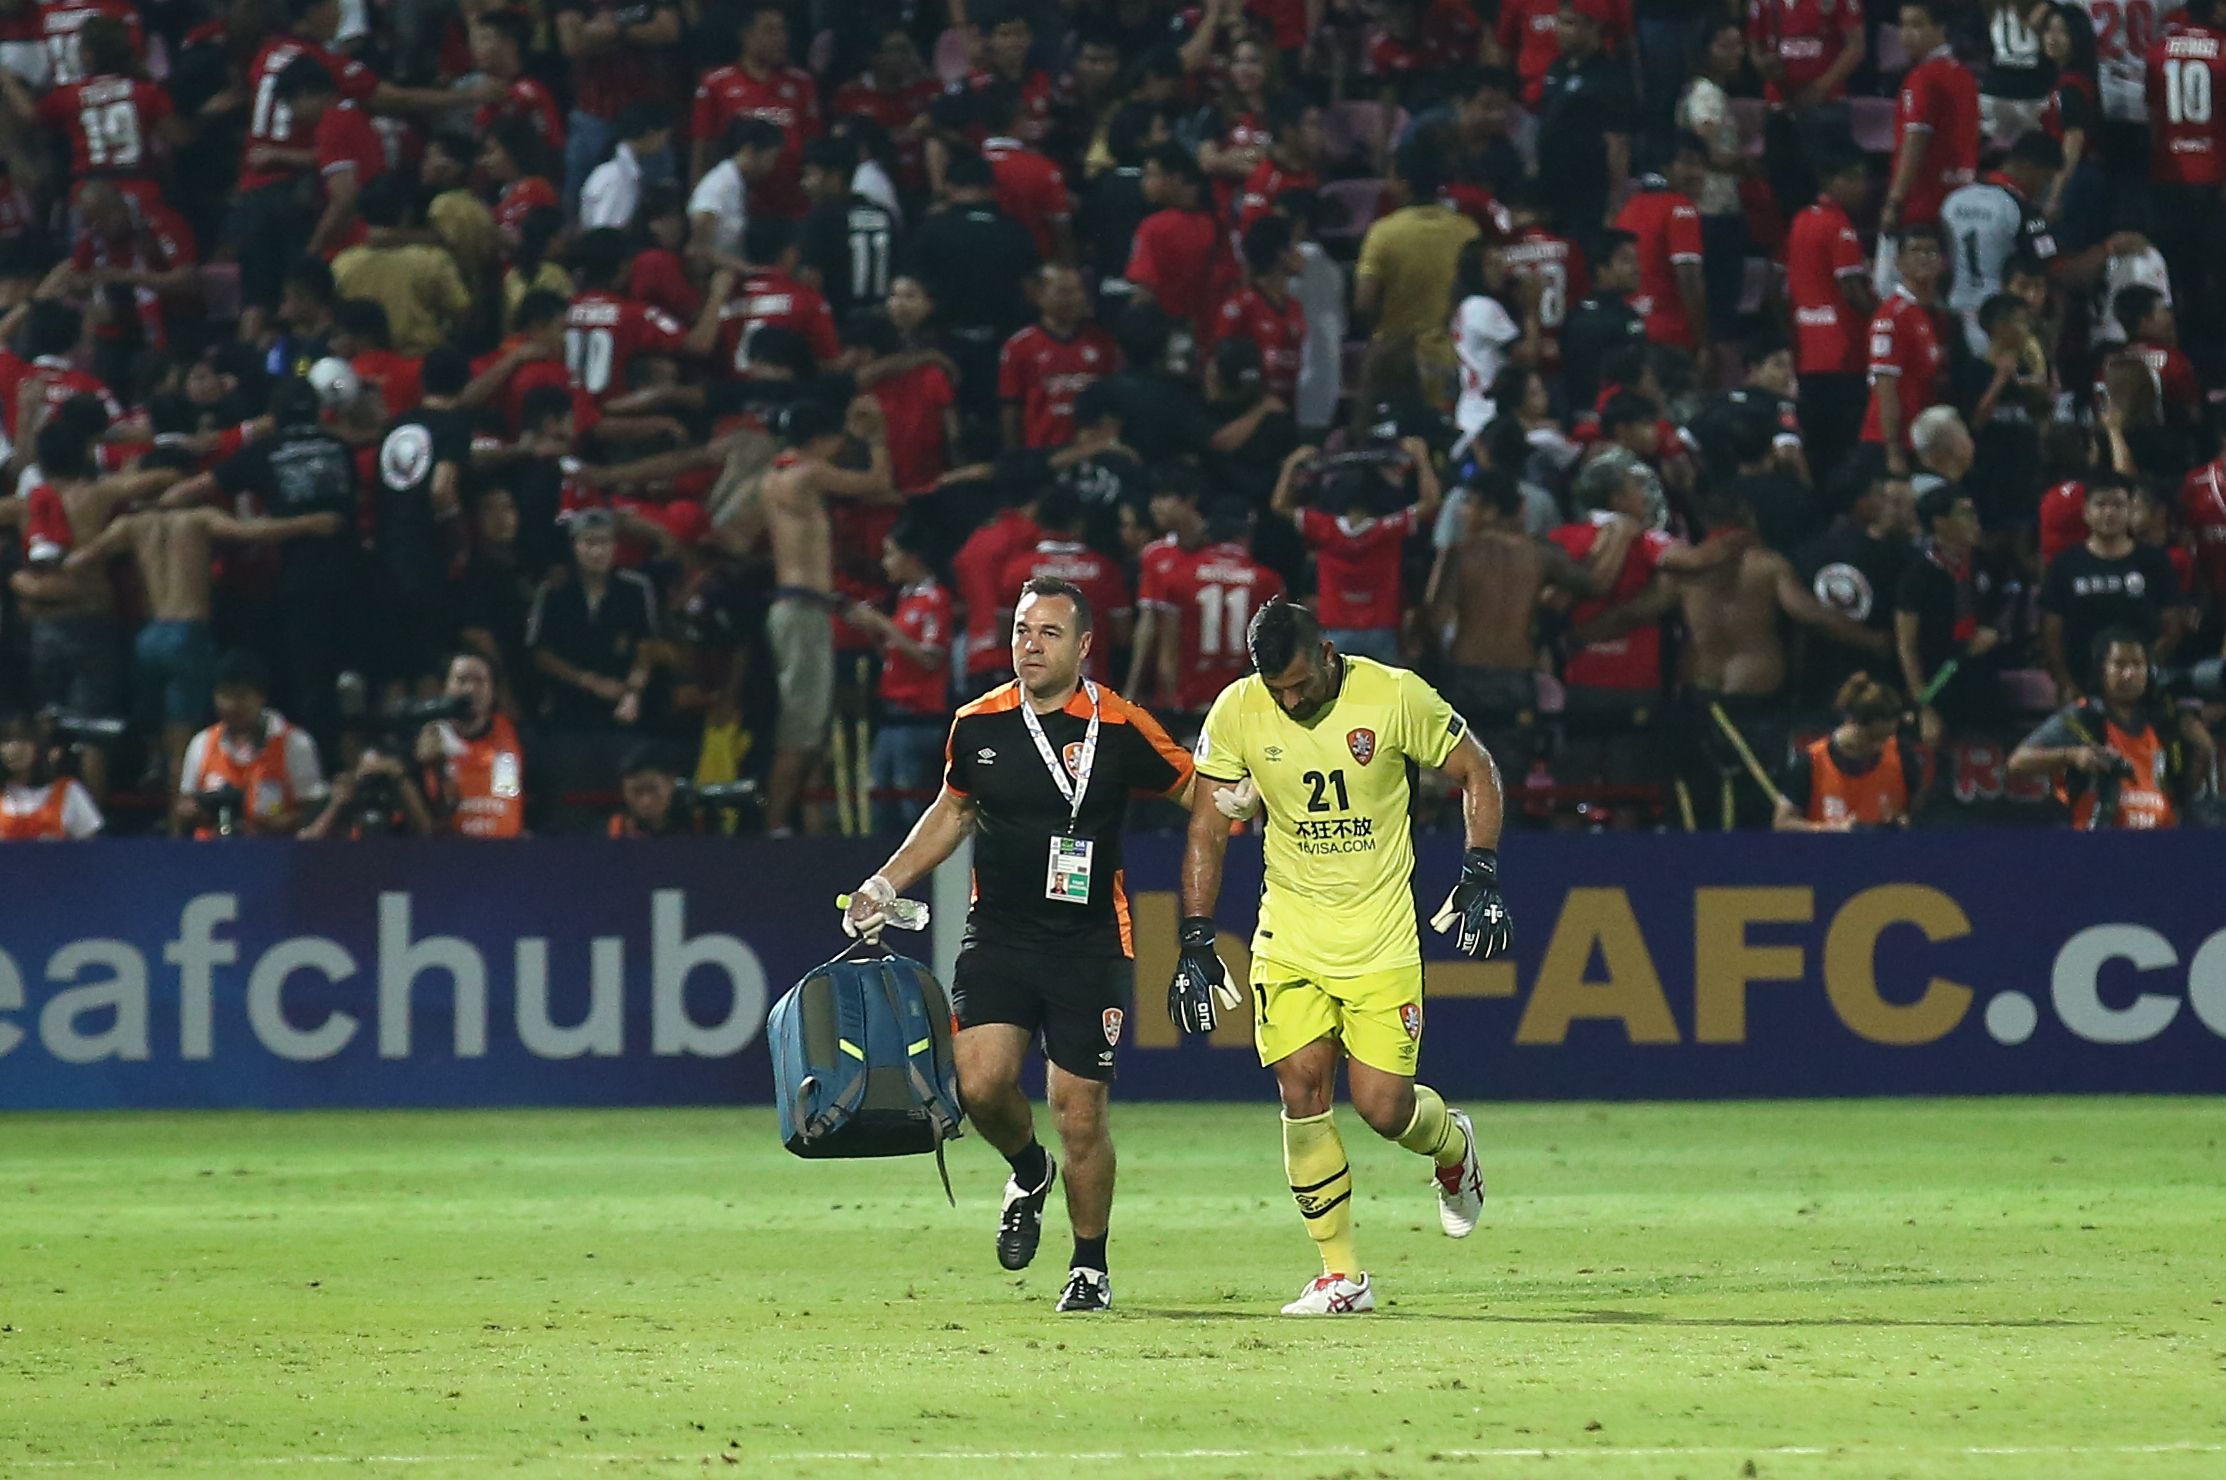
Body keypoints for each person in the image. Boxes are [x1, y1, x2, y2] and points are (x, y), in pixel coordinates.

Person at [841, 575, 1197, 1314]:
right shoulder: (978, 724)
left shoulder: (1124, 726)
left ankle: (1089, 1266)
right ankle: (1028, 1170)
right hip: (998, 934)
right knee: (978, 1083)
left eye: (1050, 633)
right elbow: (951, 812)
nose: (1030, 646)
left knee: (1079, 1108)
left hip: (1092, 941)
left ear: (1086, 645)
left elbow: (1200, 792)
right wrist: (883, 881)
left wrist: (1252, 797)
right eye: (1022, 632)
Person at [1171, 598, 1507, 1315]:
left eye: (1298, 684)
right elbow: (1206, 828)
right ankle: (1342, 1276)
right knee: (1301, 1091)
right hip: (1288, 934)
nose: (1288, 701)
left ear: (1327, 652)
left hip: (1380, 938)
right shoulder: (1237, 710)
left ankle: (1453, 1149)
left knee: (1385, 1109)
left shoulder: (1394, 695)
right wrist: (1197, 936)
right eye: (1276, 690)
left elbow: (1477, 771)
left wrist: (1479, 871)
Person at [761, 398, 897, 835]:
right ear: (820, 440)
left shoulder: (773, 477)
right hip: (802, 613)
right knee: (801, 728)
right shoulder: (807, 473)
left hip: (802, 605)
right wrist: (875, 438)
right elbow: (878, 483)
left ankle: (793, 821)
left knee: (809, 726)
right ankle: (775, 827)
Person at [2010, 629, 2215, 827]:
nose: (2129, 674)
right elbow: (2018, 761)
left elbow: (2184, 790)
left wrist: (2203, 747)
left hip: (2160, 843)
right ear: (2102, 670)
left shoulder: (2163, 720)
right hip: (2101, 841)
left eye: (2137, 665)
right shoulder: (2084, 716)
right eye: (2119, 664)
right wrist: (2073, 755)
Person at [845, 520, 952, 834]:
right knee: (878, 797)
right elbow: (899, 656)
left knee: (911, 804)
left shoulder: (936, 599)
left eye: (890, 555)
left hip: (916, 718)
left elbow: (930, 659)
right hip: (891, 715)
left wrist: (882, 624)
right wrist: (875, 634)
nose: (884, 563)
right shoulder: (907, 599)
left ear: (912, 557)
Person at [2040, 474, 2186, 702]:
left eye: (2118, 505)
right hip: (2081, 684)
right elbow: (2052, 633)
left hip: (2141, 686)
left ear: (2130, 511)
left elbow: (2171, 627)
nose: (2109, 512)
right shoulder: (2064, 565)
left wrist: (2138, 671)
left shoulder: (2155, 561)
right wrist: (2065, 682)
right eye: (2101, 504)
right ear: (2086, 512)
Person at [526, 509, 661, 734]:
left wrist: (633, 693)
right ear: (574, 545)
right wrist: (589, 681)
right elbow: (539, 652)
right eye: (589, 542)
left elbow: (646, 648)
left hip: (622, 705)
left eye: (605, 542)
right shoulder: (553, 590)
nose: (598, 551)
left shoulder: (636, 588)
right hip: (566, 706)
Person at [176, 649, 329, 838]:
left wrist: (280, 823)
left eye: (241, 696)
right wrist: (194, 812)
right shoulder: (202, 743)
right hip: (211, 855)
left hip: (275, 854)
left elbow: (313, 810)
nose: (232, 705)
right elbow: (185, 803)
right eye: (225, 695)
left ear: (261, 697)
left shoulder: (295, 743)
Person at [1773, 673, 1926, 830]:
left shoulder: (1902, 755)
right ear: (1852, 722)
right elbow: (1783, 823)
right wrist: (1830, 830)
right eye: (1873, 738)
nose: (1880, 746)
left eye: (1886, 738)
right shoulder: (1812, 761)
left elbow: (1921, 813)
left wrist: (1905, 822)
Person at [1860, 225, 1949, 476]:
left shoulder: (1935, 315)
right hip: (1892, 442)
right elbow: (1885, 386)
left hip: (1922, 440)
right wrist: (1893, 451)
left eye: (1931, 252)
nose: (1924, 258)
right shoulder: (1891, 316)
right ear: (1899, 262)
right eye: (1915, 251)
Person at [417, 652, 529, 839]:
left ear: (493, 691)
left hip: (507, 857)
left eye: (479, 681)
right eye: (461, 680)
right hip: (448, 856)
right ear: (444, 687)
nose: (470, 689)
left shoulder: (516, 736)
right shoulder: (427, 738)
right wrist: (425, 765)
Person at [0, 713, 101, 839]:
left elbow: (92, 851)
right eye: (6, 741)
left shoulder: (69, 791)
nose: (14, 749)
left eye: (24, 739)